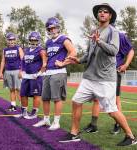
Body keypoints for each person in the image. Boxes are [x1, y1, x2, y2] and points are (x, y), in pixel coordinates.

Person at [58, 3, 137, 146]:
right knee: (76, 102)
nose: (102, 13)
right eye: (100, 11)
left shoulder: (113, 32)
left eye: (106, 12)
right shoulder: (94, 31)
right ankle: (74, 133)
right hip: (89, 77)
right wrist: (78, 60)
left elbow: (113, 51)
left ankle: (131, 136)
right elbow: (89, 54)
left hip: (105, 79)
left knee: (112, 111)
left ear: (110, 16)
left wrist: (98, 41)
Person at [83, 32, 134, 134]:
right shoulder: (99, 34)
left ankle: (118, 125)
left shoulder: (119, 35)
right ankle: (93, 125)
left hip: (113, 72)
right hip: (99, 72)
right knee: (96, 99)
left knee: (115, 99)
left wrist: (126, 64)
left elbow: (131, 50)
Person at [33, 17, 77, 130]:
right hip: (48, 72)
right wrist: (42, 68)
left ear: (58, 27)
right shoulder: (48, 42)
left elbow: (73, 52)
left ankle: (56, 122)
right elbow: (47, 57)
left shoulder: (64, 39)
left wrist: (63, 63)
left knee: (57, 98)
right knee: (45, 98)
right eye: (50, 28)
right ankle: (46, 120)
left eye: (54, 28)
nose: (52, 30)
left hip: (58, 72)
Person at [20, 31, 47, 119]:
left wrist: (39, 73)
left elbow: (44, 63)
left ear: (38, 40)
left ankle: (34, 113)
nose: (33, 42)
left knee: (36, 95)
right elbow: (23, 62)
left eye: (35, 40)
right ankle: (24, 112)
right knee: (23, 94)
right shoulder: (26, 50)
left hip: (36, 76)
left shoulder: (41, 50)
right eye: (31, 40)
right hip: (26, 75)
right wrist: (22, 71)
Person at [0, 32, 24, 111]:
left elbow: (23, 60)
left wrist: (21, 71)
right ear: (7, 40)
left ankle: (23, 106)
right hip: (8, 71)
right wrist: (0, 72)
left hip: (17, 70)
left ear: (15, 40)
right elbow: (3, 61)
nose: (11, 41)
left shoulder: (18, 48)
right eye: (10, 40)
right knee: (11, 89)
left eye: (13, 39)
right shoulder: (5, 50)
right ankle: (13, 105)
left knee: (19, 89)